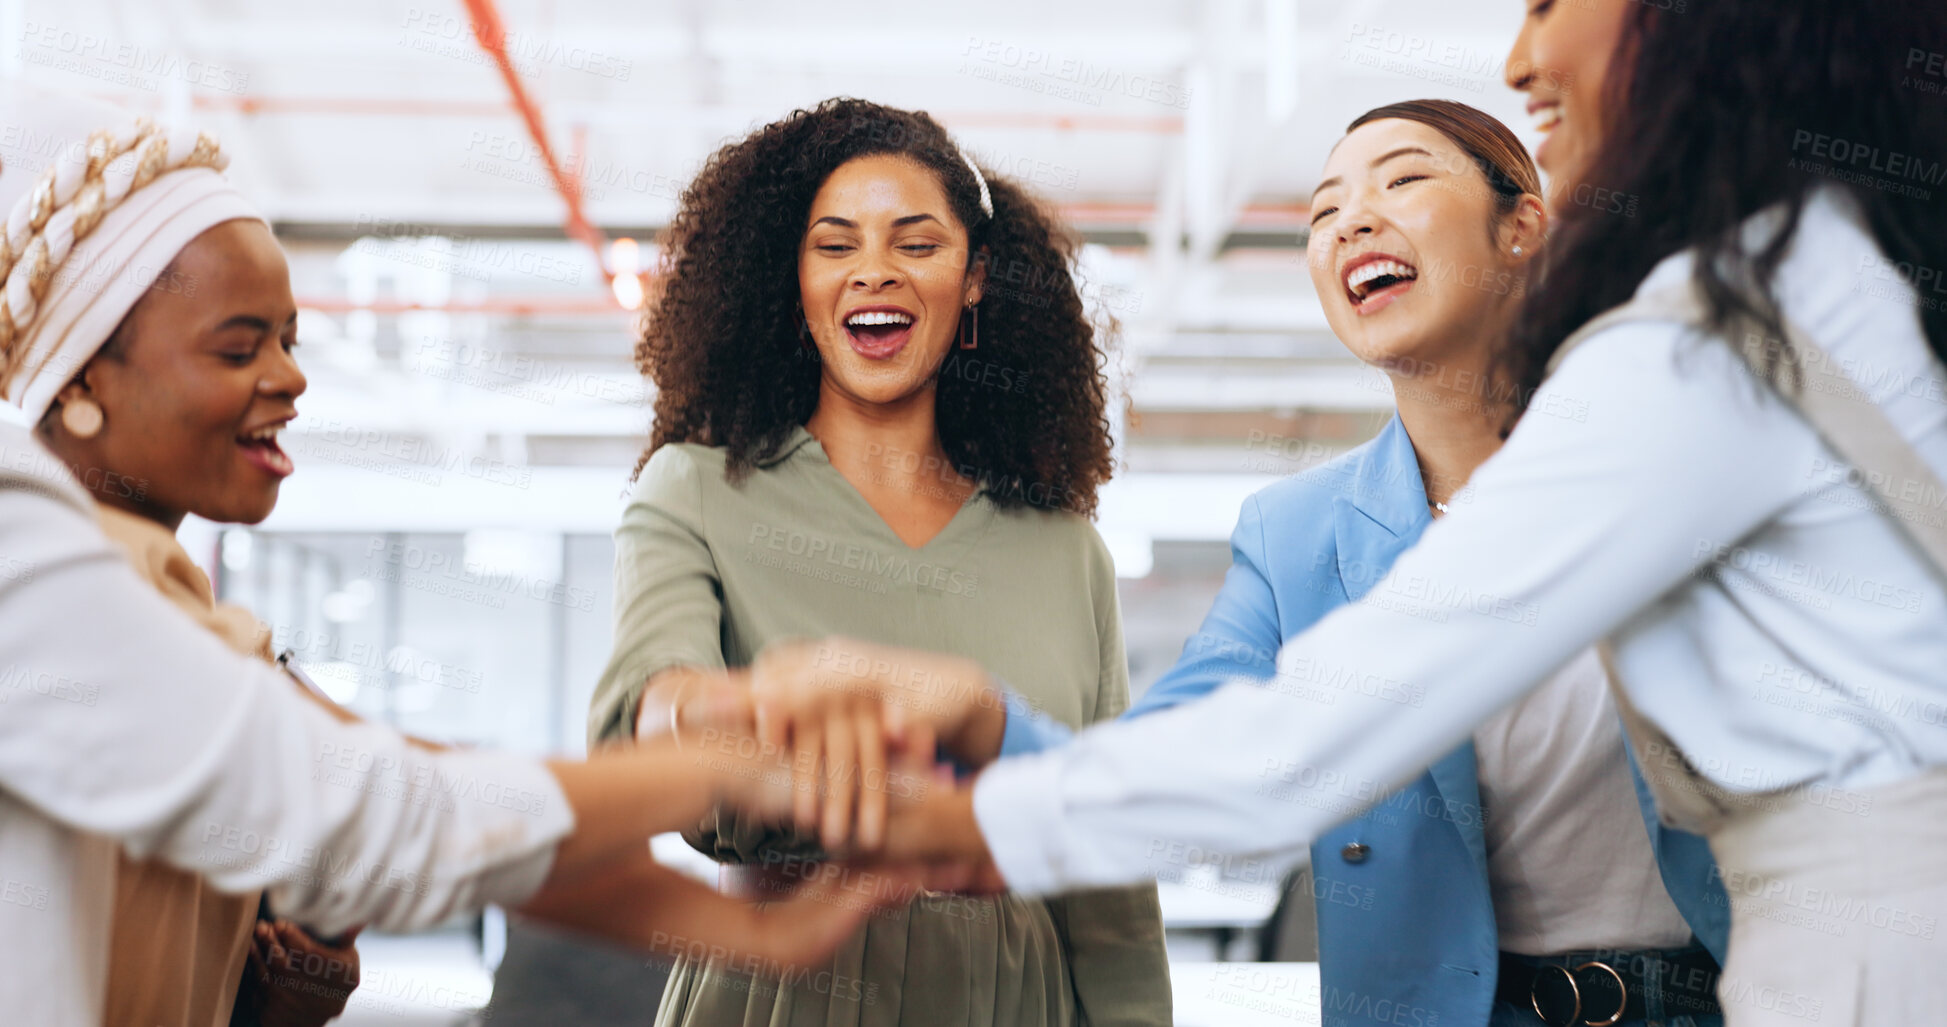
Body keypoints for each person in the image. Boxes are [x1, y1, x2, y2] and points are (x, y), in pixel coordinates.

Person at [759, 1, 1947, 1023]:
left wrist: (994, 800)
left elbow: (1311, 738)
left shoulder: (1701, 345)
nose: (1522, 57)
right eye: (1324, 210)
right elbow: (1240, 720)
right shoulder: (1831, 277)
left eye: (1548, 2)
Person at [0, 88, 902, 1027]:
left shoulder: (196, 627)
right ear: (86, 381)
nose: (292, 377)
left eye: (290, 340)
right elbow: (401, 816)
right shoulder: (42, 586)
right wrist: (733, 765)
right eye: (237, 349)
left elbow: (428, 799)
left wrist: (281, 1001)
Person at [584, 97, 1170, 1026]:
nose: (873, 272)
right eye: (834, 244)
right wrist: (749, 728)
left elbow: (1107, 865)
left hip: (1014, 997)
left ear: (974, 278)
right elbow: (646, 719)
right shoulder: (693, 489)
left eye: (916, 243)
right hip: (774, 988)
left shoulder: (1065, 552)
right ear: (793, 281)